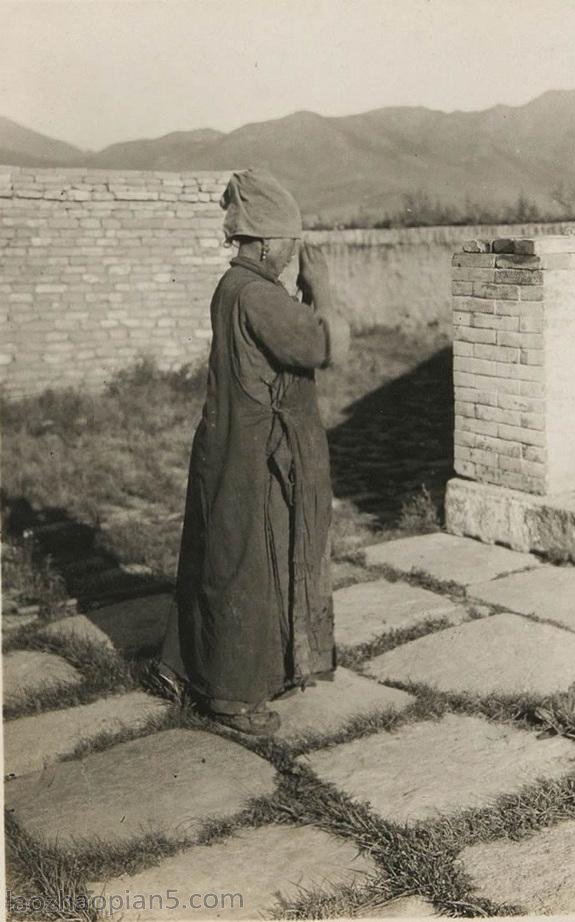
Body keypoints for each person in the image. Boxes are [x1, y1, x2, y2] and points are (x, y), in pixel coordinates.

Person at [157, 168, 349, 735]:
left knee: (222, 556)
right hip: (252, 454)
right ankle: (235, 697)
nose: (294, 253)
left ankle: (191, 668)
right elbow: (318, 345)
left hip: (229, 444)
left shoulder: (233, 286)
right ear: (267, 242)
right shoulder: (258, 295)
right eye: (290, 243)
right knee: (248, 570)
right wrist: (325, 292)